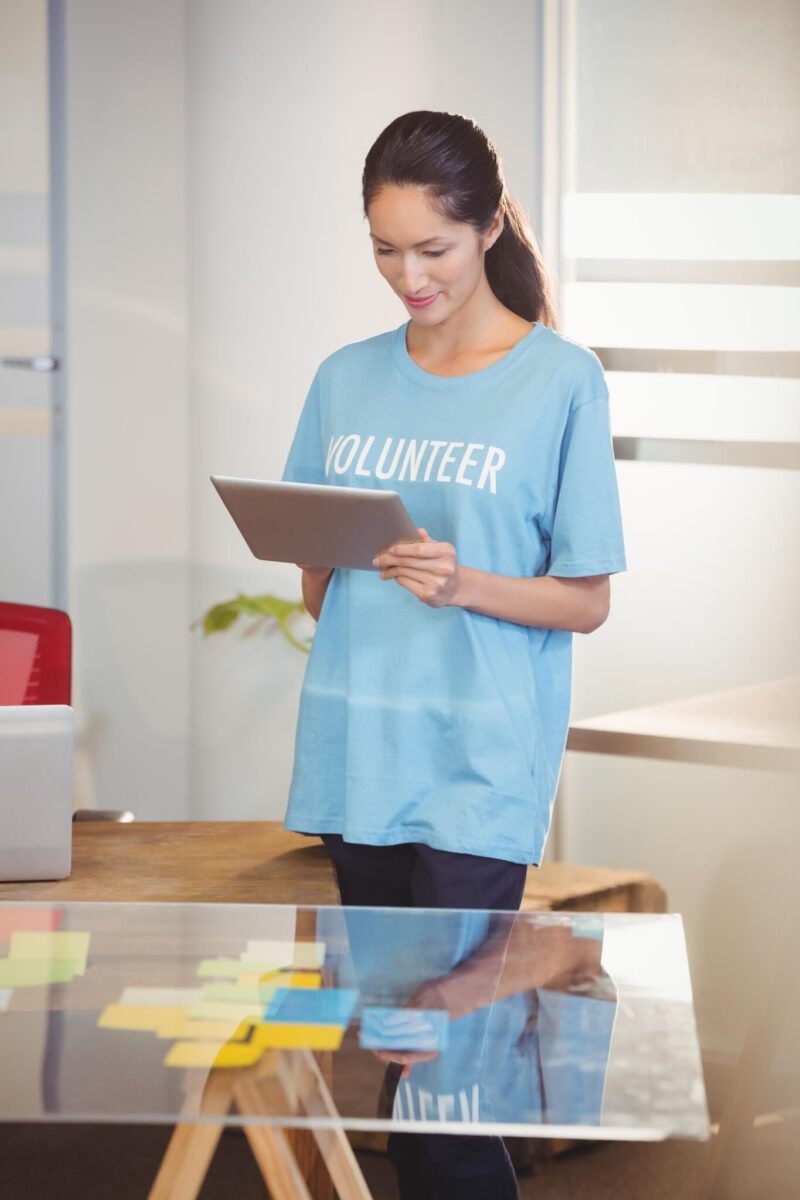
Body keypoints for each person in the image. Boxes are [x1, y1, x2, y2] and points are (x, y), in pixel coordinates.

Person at [281, 109, 627, 1199]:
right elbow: (316, 582)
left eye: (431, 248)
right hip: (359, 749)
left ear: (487, 228)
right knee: (410, 1071)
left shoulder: (559, 380)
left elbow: (585, 602)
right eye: (384, 250)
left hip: (477, 763)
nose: (408, 276)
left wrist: (460, 582)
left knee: (443, 1091)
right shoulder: (344, 377)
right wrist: (335, 560)